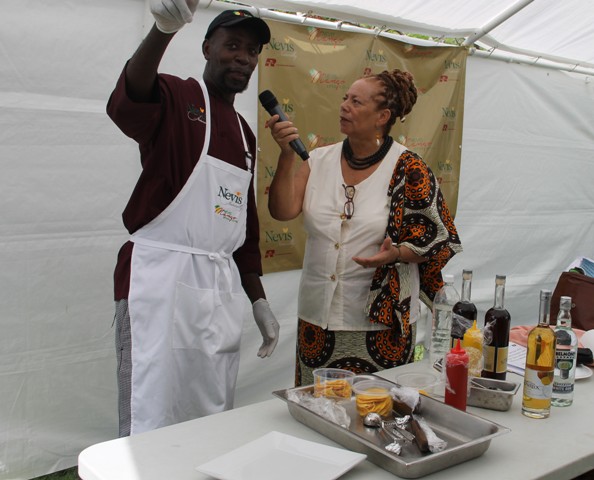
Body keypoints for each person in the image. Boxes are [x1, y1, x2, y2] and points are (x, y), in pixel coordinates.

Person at [106, 0, 279, 436]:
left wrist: (257, 297)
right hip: (159, 280)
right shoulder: (177, 96)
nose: (243, 57)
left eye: (253, 51)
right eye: (232, 45)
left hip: (217, 290)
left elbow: (244, 224)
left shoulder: (245, 132)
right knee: (152, 409)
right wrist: (163, 31)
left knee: (210, 410)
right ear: (206, 47)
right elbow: (127, 104)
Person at [267, 69, 462, 386]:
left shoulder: (409, 168)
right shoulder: (317, 160)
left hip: (379, 326)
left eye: (356, 102)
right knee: (319, 410)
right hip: (317, 320)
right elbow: (282, 210)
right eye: (345, 98)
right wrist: (287, 155)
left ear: (382, 116)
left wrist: (396, 253)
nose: (344, 106)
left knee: (375, 415)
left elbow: (434, 238)